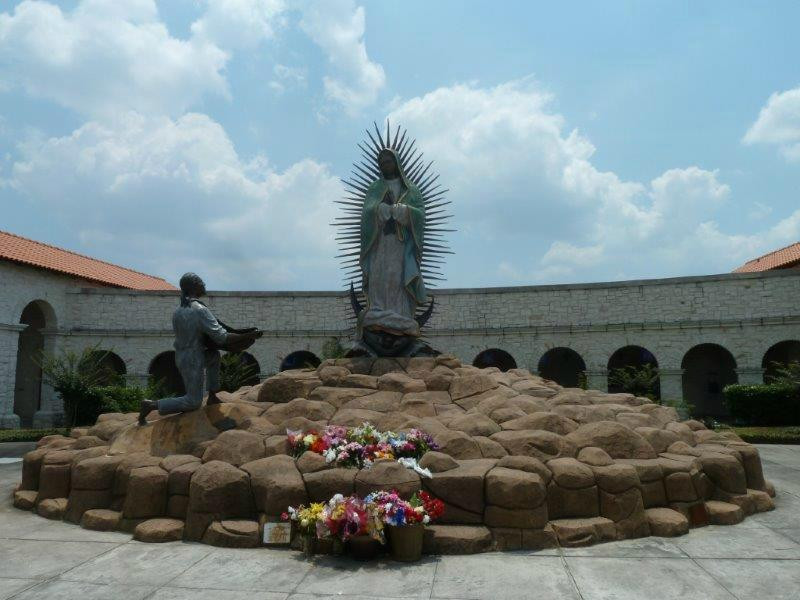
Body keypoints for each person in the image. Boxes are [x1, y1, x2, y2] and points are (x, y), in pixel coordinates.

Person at [138, 273, 262, 425]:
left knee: (213, 356)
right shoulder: (199, 310)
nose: (204, 284)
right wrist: (247, 336)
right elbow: (221, 337)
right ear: (194, 286)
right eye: (200, 282)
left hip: (185, 355)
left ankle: (212, 396)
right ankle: (152, 405)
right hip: (192, 359)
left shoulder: (178, 310)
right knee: (193, 402)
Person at [358, 147, 427, 340]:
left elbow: (420, 215)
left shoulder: (410, 189)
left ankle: (401, 316)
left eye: (388, 161)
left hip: (400, 245)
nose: (385, 165)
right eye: (382, 163)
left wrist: (402, 210)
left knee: (396, 276)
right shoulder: (374, 188)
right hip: (380, 244)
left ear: (396, 162)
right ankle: (378, 311)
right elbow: (366, 214)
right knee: (380, 276)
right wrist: (381, 209)